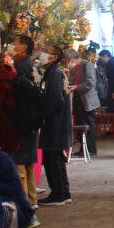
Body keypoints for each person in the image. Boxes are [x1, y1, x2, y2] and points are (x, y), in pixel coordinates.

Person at [37, 40, 73, 205]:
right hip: (57, 122)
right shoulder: (53, 72)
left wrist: (43, 114)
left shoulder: (55, 74)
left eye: (46, 51)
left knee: (53, 158)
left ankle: (59, 194)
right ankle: (63, 192)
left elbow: (55, 98)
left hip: (55, 123)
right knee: (55, 158)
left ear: (54, 57)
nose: (42, 54)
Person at [6, 34, 41, 209]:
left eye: (15, 43)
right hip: (30, 120)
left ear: (24, 47)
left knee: (20, 161)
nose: (12, 45)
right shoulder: (28, 65)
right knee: (27, 162)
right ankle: (32, 198)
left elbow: (28, 93)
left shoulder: (22, 66)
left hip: (24, 120)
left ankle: (25, 202)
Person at [67, 48, 99, 157]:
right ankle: (83, 149)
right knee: (81, 124)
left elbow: (90, 82)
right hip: (78, 98)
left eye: (69, 61)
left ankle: (90, 149)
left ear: (72, 58)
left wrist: (77, 87)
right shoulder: (77, 67)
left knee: (88, 124)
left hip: (86, 99)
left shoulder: (87, 65)